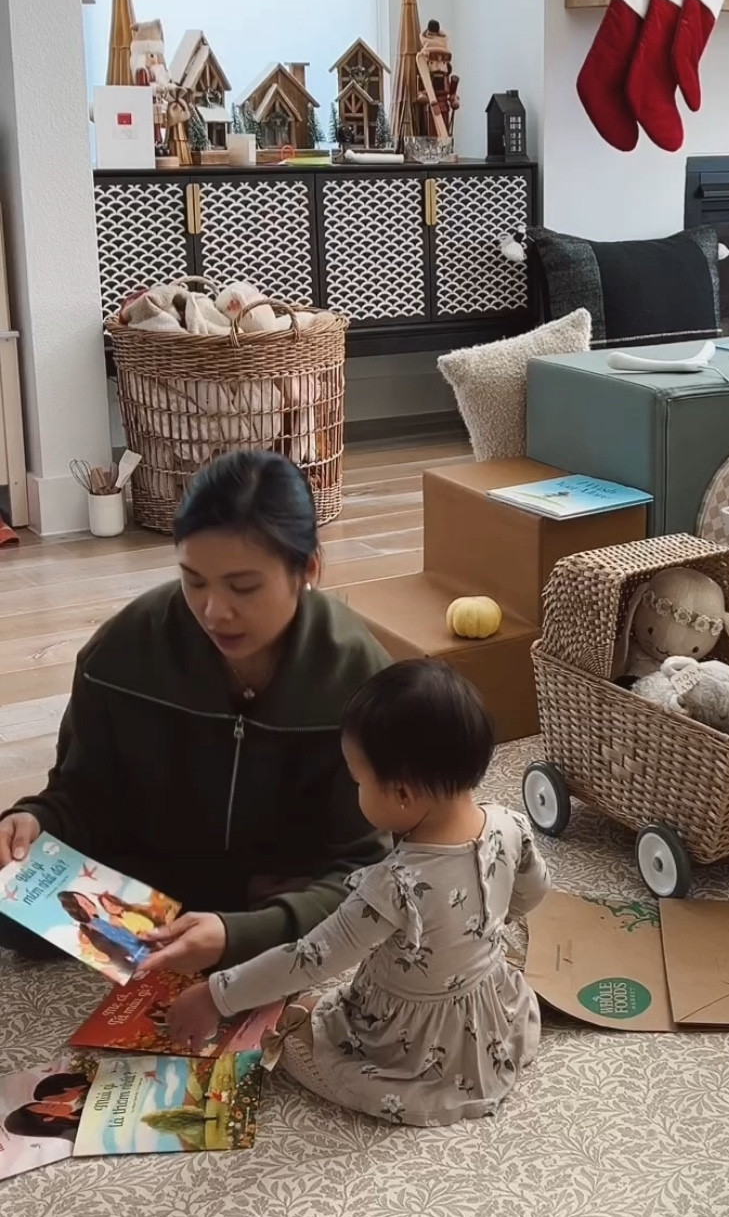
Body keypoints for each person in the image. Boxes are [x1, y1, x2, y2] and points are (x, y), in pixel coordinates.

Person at [0, 452, 390, 974]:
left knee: (390, 910)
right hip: (155, 878)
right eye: (194, 580)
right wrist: (33, 821)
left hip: (282, 893)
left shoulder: (360, 680)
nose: (213, 610)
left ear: (308, 569)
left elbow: (364, 864)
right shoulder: (119, 654)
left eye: (243, 587)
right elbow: (80, 795)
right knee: (12, 899)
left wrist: (241, 933)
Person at [168, 660, 550, 1128]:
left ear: (404, 795)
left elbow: (310, 958)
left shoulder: (395, 886)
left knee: (292, 1038)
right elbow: (533, 893)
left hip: (411, 1046)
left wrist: (215, 995)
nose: (355, 792)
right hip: (491, 1010)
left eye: (358, 781)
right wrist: (482, 925)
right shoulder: (510, 825)